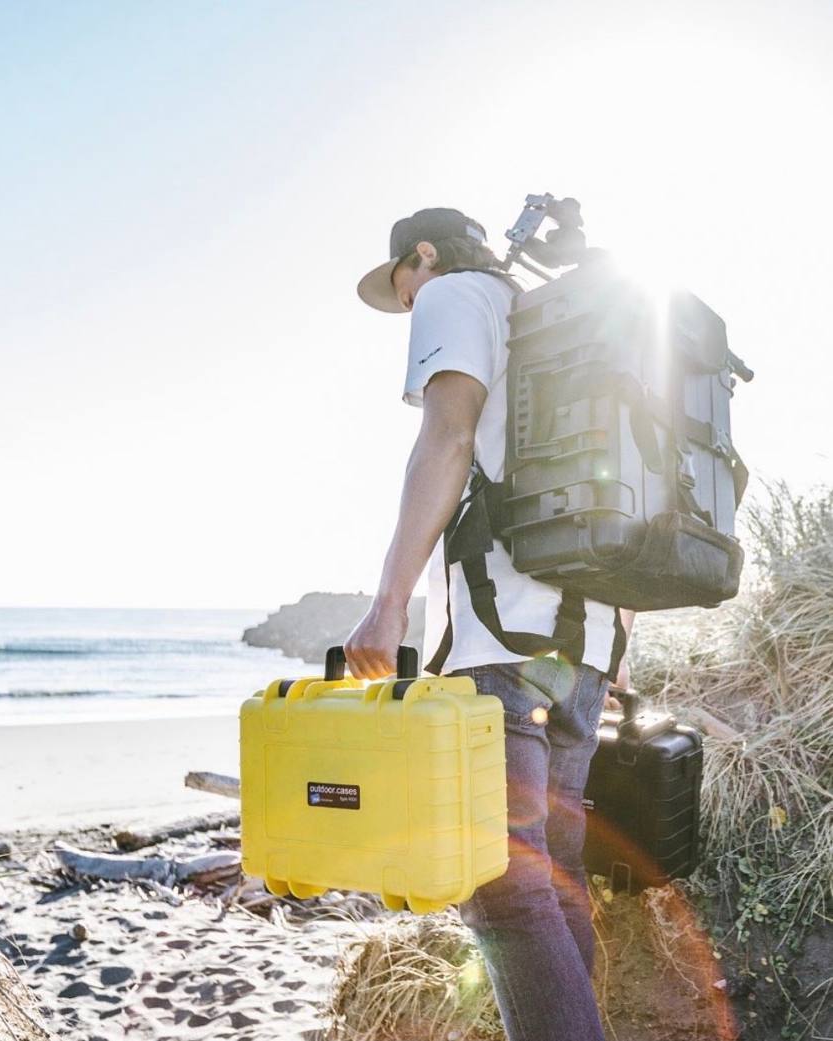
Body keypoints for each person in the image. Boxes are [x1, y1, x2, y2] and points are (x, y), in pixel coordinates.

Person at [344, 207, 633, 1041]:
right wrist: (618, 645)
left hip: (503, 644)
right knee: (553, 873)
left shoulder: (456, 294)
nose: (407, 303)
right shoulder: (549, 318)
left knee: (503, 886)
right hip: (583, 648)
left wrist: (390, 602)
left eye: (403, 284)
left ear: (423, 255)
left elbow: (448, 436)